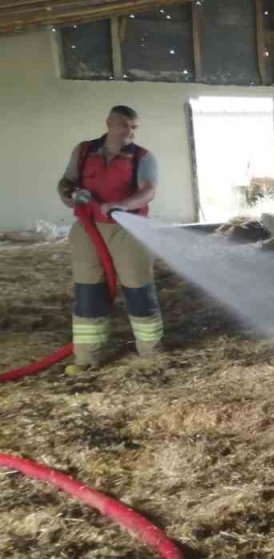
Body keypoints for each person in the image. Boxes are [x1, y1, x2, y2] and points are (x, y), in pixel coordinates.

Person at [55, 105, 161, 369]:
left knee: (137, 287)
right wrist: (68, 194)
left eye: (134, 127)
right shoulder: (84, 151)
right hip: (88, 227)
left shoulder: (142, 157)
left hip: (128, 228)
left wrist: (123, 206)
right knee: (88, 288)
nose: (130, 132)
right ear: (109, 123)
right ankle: (87, 357)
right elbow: (66, 181)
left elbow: (148, 191)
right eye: (124, 125)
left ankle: (152, 353)